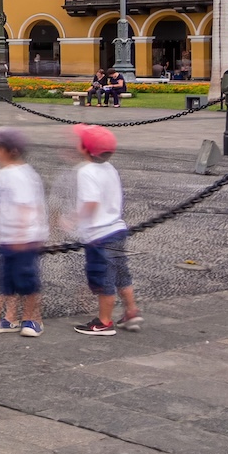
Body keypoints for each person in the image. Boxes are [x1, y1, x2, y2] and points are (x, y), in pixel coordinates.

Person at [0, 128, 48, 338]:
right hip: (7, 238)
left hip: (24, 239)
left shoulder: (21, 175)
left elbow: (27, 207)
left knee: (27, 282)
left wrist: (21, 234)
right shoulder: (0, 174)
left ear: (11, 151)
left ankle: (34, 319)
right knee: (4, 281)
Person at [70, 125, 138, 336]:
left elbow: (91, 202)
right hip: (117, 230)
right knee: (121, 275)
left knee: (103, 278)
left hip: (98, 235)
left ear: (85, 148)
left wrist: (73, 219)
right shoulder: (110, 168)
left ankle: (104, 322)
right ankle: (131, 312)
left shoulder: (86, 172)